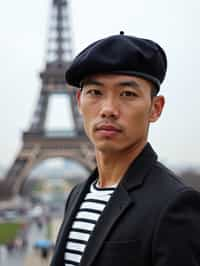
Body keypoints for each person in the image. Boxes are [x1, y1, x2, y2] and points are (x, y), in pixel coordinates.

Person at [51, 32, 200, 266]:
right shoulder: (78, 194)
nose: (108, 109)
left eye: (127, 94)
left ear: (156, 108)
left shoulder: (174, 204)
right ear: (79, 101)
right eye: (95, 92)